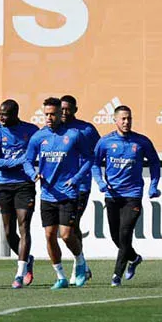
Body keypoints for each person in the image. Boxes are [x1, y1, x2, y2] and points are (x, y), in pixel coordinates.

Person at [23, 97, 92, 290]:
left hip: (68, 193)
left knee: (67, 234)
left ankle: (80, 261)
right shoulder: (38, 137)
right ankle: (60, 276)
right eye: (46, 114)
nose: (49, 118)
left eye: (52, 114)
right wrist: (33, 174)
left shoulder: (74, 135)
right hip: (47, 194)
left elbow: (89, 158)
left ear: (60, 114)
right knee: (49, 235)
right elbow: (27, 160)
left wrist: (76, 178)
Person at [91, 105, 161, 287]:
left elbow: (154, 162)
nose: (126, 122)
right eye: (123, 118)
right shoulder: (105, 142)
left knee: (125, 233)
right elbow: (94, 163)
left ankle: (116, 276)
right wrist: (100, 182)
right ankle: (134, 258)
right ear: (115, 120)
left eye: (129, 118)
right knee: (116, 236)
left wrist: (153, 186)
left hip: (133, 195)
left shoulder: (141, 141)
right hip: (112, 195)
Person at [0, 99, 39, 289]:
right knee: (9, 232)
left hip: (24, 184)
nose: (1, 117)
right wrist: (18, 162)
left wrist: (32, 168)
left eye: (5, 114)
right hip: (4, 185)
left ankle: (20, 273)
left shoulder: (31, 130)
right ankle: (27, 259)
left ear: (15, 113)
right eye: (0, 114)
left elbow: (38, 154)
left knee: (24, 225)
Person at [60, 95, 100, 281]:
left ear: (75, 109)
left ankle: (79, 267)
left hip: (81, 185)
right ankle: (83, 265)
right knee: (69, 227)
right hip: (60, 186)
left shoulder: (87, 129)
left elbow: (98, 153)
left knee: (71, 225)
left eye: (68, 109)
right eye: (62, 109)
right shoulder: (56, 129)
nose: (64, 112)